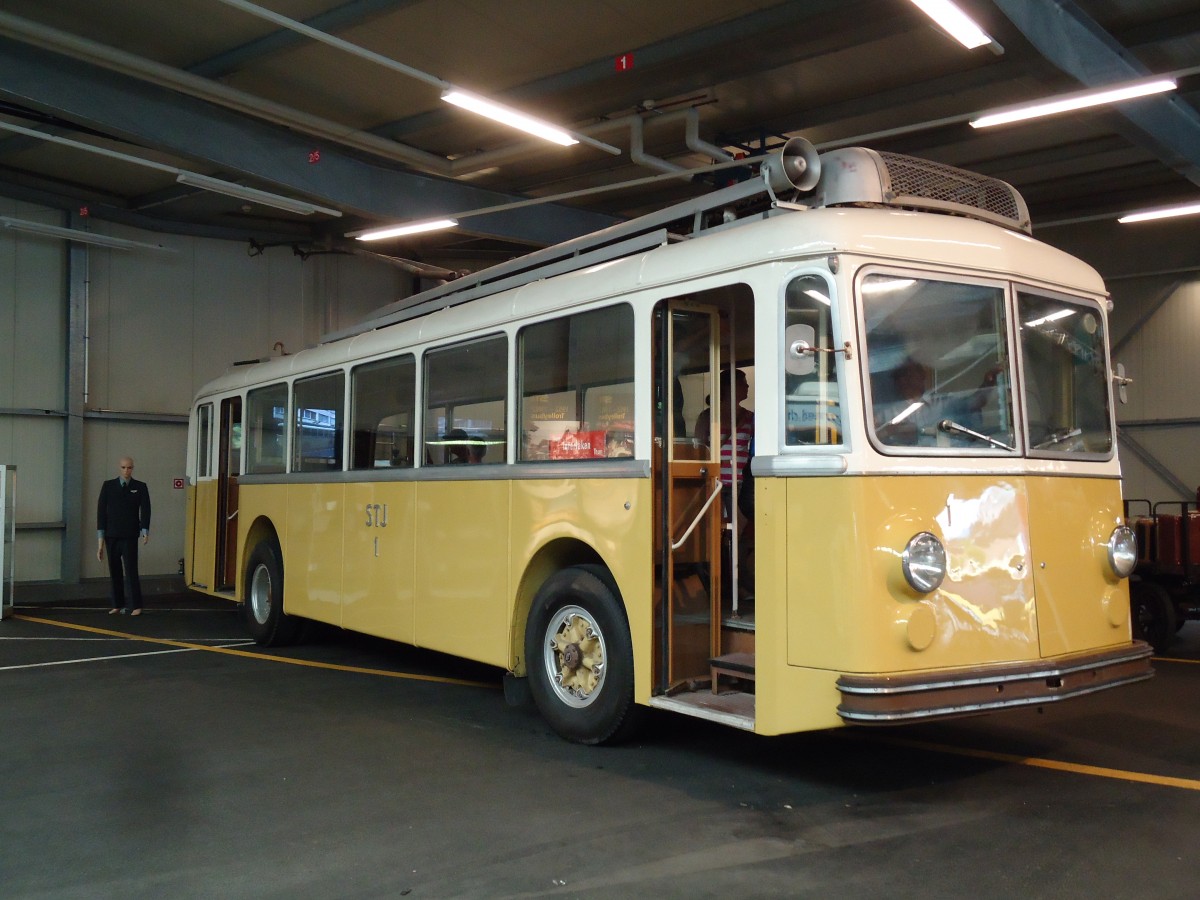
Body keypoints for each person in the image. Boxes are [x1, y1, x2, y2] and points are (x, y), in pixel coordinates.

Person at [97, 456, 151, 616]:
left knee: (131, 570)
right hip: (111, 535)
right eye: (123, 467)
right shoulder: (108, 486)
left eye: (129, 468)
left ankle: (136, 605)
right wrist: (100, 541)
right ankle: (117, 603)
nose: (126, 471)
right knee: (114, 571)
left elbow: (146, 510)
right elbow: (101, 513)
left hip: (129, 535)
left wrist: (145, 530)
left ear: (133, 468)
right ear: (119, 468)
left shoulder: (140, 487)